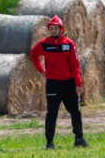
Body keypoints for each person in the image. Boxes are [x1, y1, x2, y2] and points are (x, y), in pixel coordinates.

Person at [30, 15, 89, 149]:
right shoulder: (44, 43)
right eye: (51, 29)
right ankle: (49, 142)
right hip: (53, 84)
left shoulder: (69, 44)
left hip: (69, 83)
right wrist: (41, 69)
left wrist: (78, 84)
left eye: (56, 28)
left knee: (75, 112)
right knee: (52, 113)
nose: (53, 31)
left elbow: (75, 65)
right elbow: (34, 53)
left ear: (61, 29)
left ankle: (79, 139)